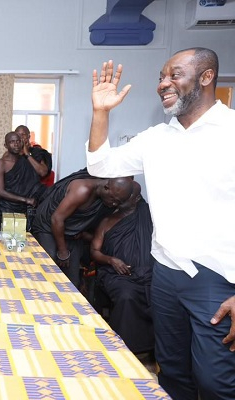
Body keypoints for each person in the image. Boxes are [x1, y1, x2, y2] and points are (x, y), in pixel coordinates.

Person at [86, 48, 235, 400]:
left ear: (206, 77)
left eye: (174, 75)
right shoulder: (156, 138)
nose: (163, 84)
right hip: (165, 274)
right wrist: (100, 112)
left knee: (215, 381)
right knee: (171, 371)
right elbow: (100, 166)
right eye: (161, 77)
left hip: (217, 279)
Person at [30, 169, 132, 286]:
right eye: (114, 200)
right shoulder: (82, 189)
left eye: (118, 203)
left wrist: (80, 231)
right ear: (106, 188)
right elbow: (56, 219)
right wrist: (62, 251)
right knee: (49, 267)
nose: (114, 205)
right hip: (47, 225)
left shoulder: (107, 198)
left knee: (73, 281)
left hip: (70, 231)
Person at [90, 181, 154, 354]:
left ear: (135, 198)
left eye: (122, 199)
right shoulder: (107, 221)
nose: (116, 202)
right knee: (127, 295)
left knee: (162, 295)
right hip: (116, 274)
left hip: (149, 273)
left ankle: (154, 350)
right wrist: (111, 260)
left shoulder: (150, 216)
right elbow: (94, 251)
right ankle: (123, 348)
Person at [0, 131, 49, 231]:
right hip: (6, 209)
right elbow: (1, 192)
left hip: (24, 210)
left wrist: (27, 154)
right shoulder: (1, 164)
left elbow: (42, 174)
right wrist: (26, 200)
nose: (16, 144)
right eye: (12, 141)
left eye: (18, 141)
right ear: (5, 145)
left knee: (22, 242)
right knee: (5, 242)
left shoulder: (26, 160)